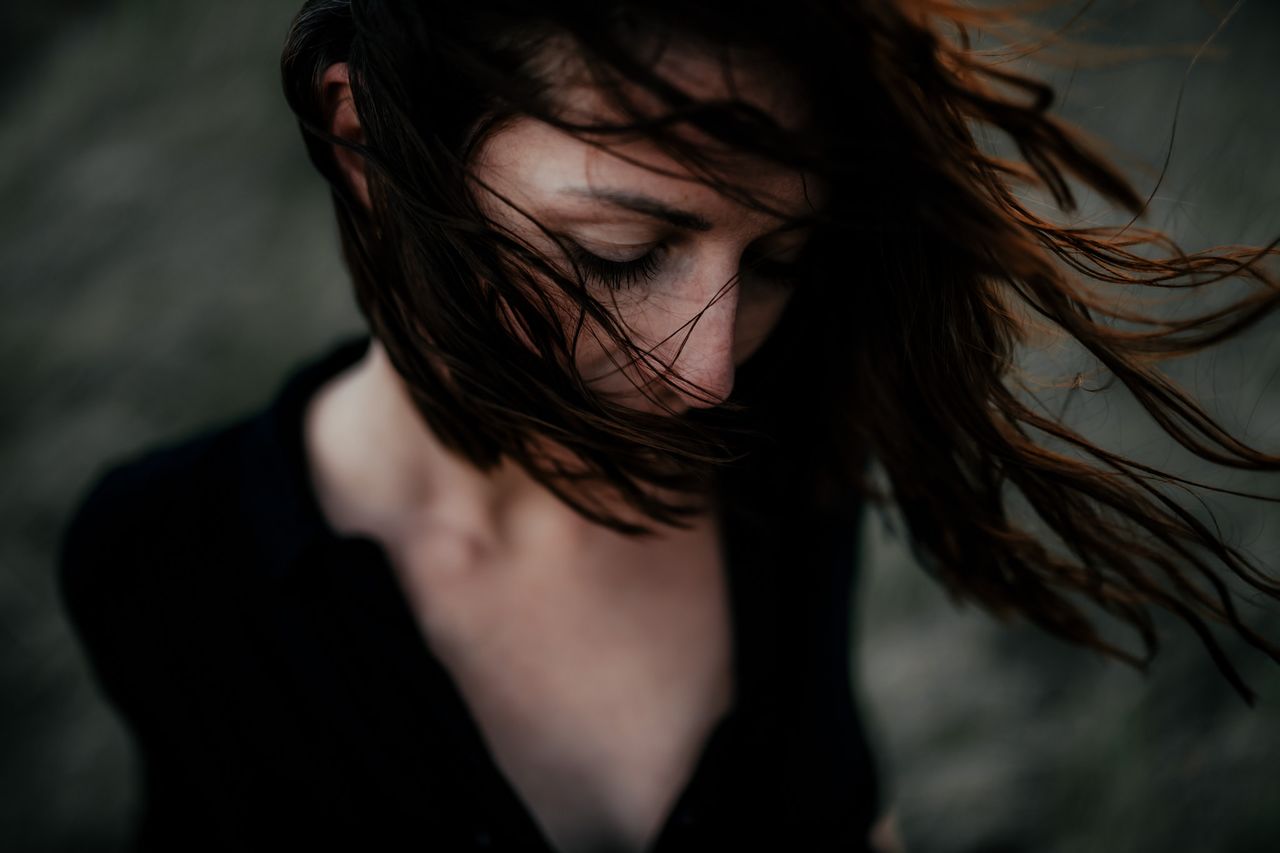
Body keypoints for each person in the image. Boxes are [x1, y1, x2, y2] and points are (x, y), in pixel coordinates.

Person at [57, 1, 1280, 852]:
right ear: (363, 137)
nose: (706, 375)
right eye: (622, 252)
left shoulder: (781, 466)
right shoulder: (168, 564)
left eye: (775, 262)